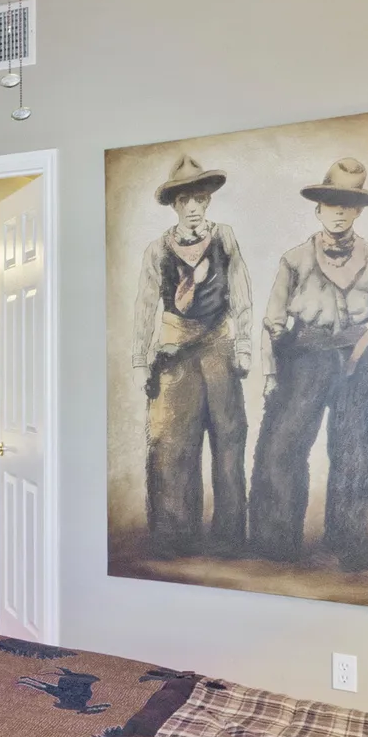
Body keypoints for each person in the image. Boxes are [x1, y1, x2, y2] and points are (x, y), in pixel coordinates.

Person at [249, 157, 368, 572]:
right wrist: (271, 372)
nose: (339, 211)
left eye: (349, 204)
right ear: (318, 208)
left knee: (358, 451)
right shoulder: (294, 259)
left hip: (359, 359)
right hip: (304, 356)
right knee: (282, 445)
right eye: (332, 202)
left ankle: (350, 540)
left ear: (359, 211)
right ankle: (274, 540)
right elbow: (272, 321)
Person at [129, 154, 256, 558]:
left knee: (228, 437)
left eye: (199, 199)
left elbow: (242, 293)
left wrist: (245, 345)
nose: (193, 208)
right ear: (175, 205)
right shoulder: (156, 250)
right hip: (173, 351)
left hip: (219, 346)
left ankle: (229, 536)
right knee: (169, 443)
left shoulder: (226, 238)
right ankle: (173, 535)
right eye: (185, 201)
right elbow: (145, 305)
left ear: (208, 202)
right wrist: (138, 360)